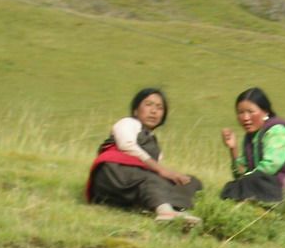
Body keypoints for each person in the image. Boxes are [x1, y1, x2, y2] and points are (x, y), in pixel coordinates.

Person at [86, 88, 203, 224]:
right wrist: (161, 170)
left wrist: (170, 175)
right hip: (114, 174)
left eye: (159, 108)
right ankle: (165, 211)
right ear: (136, 110)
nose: (154, 111)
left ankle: (175, 209)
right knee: (152, 179)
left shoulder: (154, 145)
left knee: (190, 181)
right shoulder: (127, 123)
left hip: (135, 185)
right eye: (148, 104)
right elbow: (127, 146)